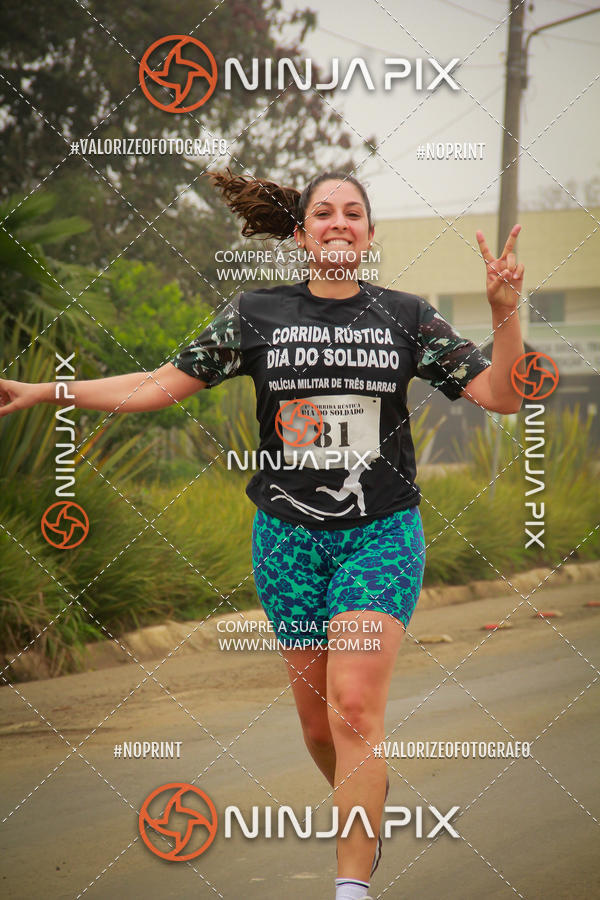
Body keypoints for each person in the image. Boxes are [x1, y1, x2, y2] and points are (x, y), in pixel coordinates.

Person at [0, 170, 525, 900]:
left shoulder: (407, 318)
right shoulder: (257, 314)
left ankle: (350, 886)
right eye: (324, 213)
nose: (338, 223)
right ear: (303, 232)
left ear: (369, 235)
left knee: (353, 709)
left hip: (380, 535)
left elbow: (501, 395)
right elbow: (157, 384)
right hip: (286, 541)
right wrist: (46, 391)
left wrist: (506, 313)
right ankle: (362, 804)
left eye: (353, 213)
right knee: (319, 730)